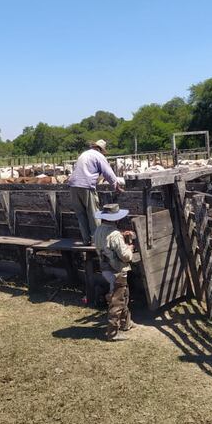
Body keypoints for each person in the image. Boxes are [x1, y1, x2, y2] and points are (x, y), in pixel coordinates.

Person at [93, 204, 137, 341]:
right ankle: (112, 333)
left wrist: (122, 235)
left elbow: (107, 242)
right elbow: (125, 256)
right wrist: (129, 248)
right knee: (117, 301)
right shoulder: (115, 235)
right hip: (117, 270)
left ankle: (126, 323)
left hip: (106, 268)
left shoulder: (98, 230)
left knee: (123, 295)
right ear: (116, 219)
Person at [68, 139, 122, 245]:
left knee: (80, 214)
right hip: (86, 185)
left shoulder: (83, 154)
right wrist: (115, 185)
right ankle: (97, 241)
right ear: (100, 150)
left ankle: (86, 240)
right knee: (93, 213)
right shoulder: (98, 156)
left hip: (73, 185)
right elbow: (107, 172)